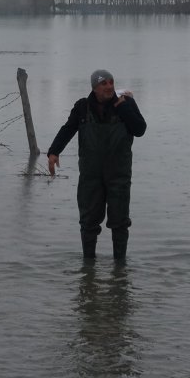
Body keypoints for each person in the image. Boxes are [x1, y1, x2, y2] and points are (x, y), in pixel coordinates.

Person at [47, 69, 147, 262]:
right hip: (90, 175)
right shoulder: (82, 108)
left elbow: (140, 129)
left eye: (111, 82)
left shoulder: (126, 103)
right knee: (88, 222)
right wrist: (54, 152)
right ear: (94, 87)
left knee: (120, 223)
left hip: (119, 174)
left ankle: (120, 267)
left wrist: (124, 109)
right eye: (104, 83)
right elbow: (68, 129)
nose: (109, 86)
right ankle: (88, 267)